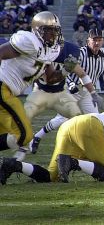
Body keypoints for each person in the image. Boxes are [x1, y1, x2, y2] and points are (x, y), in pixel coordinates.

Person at [0, 101, 104, 184]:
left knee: (52, 177)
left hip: (70, 126)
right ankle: (72, 162)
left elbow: (103, 158)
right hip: (90, 127)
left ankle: (13, 165)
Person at [30, 28, 104, 152]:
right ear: (88, 40)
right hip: (71, 90)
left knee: (95, 118)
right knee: (62, 118)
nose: (97, 43)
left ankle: (97, 146)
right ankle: (37, 137)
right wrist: (71, 83)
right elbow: (64, 69)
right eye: (94, 40)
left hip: (88, 92)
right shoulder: (79, 53)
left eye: (99, 40)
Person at [13, 40, 104, 160]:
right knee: (57, 117)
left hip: (80, 91)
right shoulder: (41, 56)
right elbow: (49, 79)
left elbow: (82, 74)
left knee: (95, 118)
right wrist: (68, 79)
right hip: (50, 91)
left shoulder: (65, 54)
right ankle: (30, 140)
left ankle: (96, 147)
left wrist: (93, 93)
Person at [0, 12, 64, 152]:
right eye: (48, 30)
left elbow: (50, 78)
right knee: (24, 136)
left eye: (55, 30)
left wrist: (66, 70)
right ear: (37, 30)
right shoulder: (29, 41)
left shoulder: (51, 50)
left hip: (9, 93)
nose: (53, 34)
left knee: (7, 134)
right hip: (2, 88)